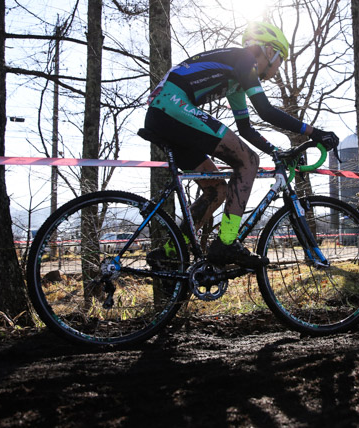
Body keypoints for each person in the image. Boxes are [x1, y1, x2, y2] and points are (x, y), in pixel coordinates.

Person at [144, 22, 339, 269]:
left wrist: (276, 152)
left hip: (164, 113)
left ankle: (172, 251)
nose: (278, 69)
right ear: (269, 51)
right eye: (280, 59)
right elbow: (266, 111)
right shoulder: (245, 59)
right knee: (249, 161)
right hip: (171, 107)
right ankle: (226, 242)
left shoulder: (234, 79)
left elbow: (246, 128)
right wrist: (315, 132)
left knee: (217, 190)